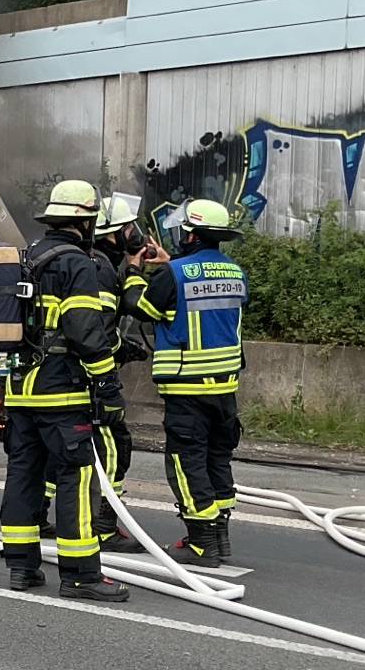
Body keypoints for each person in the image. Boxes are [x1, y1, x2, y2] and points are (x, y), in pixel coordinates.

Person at [0, 179, 128, 602]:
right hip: (61, 394)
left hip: (19, 390)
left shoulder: (27, 259)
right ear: (85, 224)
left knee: (23, 476)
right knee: (77, 478)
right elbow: (86, 331)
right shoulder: (77, 264)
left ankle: (22, 568)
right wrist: (107, 384)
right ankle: (82, 575)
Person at [122, 199, 247, 567]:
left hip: (187, 388)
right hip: (224, 389)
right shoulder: (235, 272)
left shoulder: (174, 274)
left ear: (189, 233)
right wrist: (166, 265)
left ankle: (201, 543)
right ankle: (220, 539)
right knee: (216, 460)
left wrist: (134, 268)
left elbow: (139, 306)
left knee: (186, 461)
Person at [84, 196, 150, 554]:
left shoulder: (95, 263)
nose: (134, 234)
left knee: (60, 450)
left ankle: (41, 517)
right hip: (95, 376)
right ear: (111, 234)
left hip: (68, 374)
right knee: (113, 447)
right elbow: (101, 332)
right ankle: (104, 527)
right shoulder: (101, 269)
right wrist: (123, 351)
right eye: (128, 228)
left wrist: (135, 268)